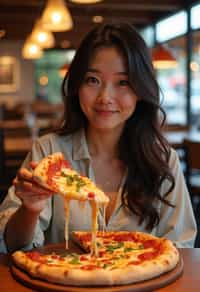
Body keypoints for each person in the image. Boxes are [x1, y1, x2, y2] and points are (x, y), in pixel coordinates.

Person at [0, 23, 197, 253]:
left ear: (141, 90)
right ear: (77, 85)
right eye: (93, 80)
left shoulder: (164, 159)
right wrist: (30, 210)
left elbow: (180, 249)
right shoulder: (49, 152)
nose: (105, 97)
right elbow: (12, 245)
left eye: (123, 82)